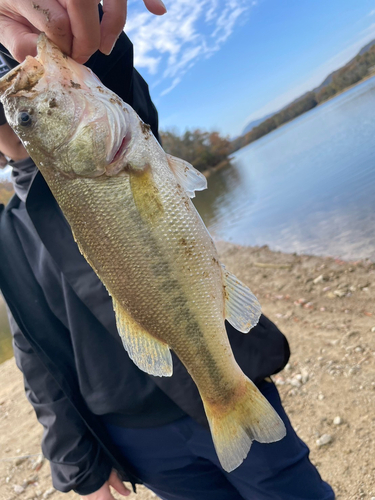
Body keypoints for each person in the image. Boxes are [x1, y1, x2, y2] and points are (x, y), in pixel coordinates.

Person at [0, 2, 335, 499]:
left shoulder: (114, 130)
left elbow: (110, 77)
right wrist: (78, 464)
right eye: (22, 112)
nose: (18, 93)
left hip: (222, 375)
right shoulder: (8, 234)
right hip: (134, 438)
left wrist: (84, 29)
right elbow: (33, 349)